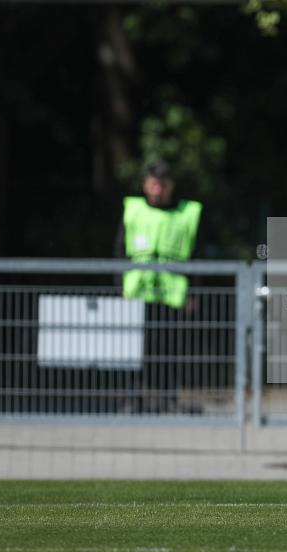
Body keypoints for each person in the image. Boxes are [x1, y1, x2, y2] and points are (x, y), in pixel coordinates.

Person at [115, 160, 203, 412]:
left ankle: (168, 400)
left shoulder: (187, 213)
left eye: (163, 184)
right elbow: (119, 251)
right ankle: (133, 399)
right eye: (153, 184)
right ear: (145, 185)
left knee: (168, 350)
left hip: (172, 294)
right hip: (136, 292)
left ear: (171, 186)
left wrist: (193, 294)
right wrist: (119, 285)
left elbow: (197, 257)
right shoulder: (132, 210)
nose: (158, 189)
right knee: (132, 350)